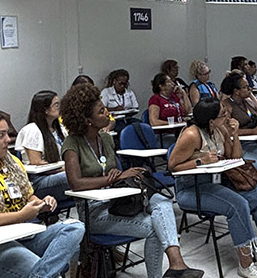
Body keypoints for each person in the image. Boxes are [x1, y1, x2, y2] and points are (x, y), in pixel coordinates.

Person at [59, 84, 204, 278]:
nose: (107, 113)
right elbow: (75, 183)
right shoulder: (72, 144)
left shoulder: (106, 139)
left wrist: (123, 175)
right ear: (87, 120)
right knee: (155, 229)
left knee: (162, 201)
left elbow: (116, 175)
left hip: (118, 202)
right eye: (101, 111)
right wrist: (112, 178)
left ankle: (177, 265)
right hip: (93, 212)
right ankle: (168, 272)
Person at [0, 111, 84, 278]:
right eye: (0, 135)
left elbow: (28, 197)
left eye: (7, 134)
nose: (8, 140)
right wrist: (19, 215)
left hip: (24, 236)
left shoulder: (13, 163)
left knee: (74, 227)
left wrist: (40, 203)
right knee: (52, 272)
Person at [169, 97, 257, 278]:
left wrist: (234, 134)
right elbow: (172, 167)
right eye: (223, 114)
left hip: (219, 181)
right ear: (211, 120)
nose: (227, 116)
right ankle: (246, 264)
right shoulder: (192, 134)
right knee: (237, 204)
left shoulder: (219, 128)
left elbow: (235, 158)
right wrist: (199, 160)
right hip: (192, 188)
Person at [15, 90, 71, 202]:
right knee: (73, 176)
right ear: (45, 110)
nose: (60, 107)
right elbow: (37, 162)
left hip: (59, 172)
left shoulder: (60, 128)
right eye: (56, 105)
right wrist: (66, 168)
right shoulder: (32, 130)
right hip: (39, 181)